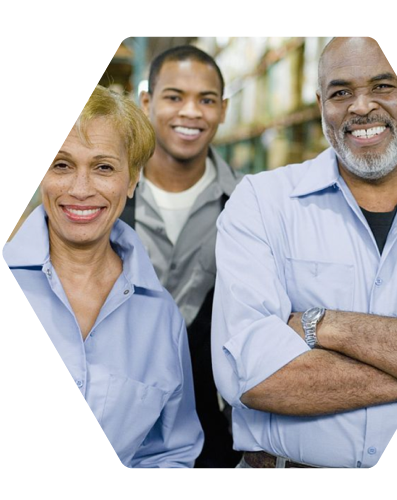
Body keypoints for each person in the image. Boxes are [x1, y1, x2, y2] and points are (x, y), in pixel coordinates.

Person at [212, 36, 397, 469]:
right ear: (320, 103)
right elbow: (253, 377)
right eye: (341, 92)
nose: (361, 107)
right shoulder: (261, 201)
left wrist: (326, 326)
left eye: (383, 86)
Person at [2, 85, 204, 469]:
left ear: (131, 181)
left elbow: (170, 452)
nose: (81, 189)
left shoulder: (162, 319)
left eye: (103, 167)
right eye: (61, 165)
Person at [121, 46, 242, 469]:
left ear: (223, 110)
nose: (191, 112)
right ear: (147, 102)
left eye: (206, 100)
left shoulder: (251, 205)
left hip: (212, 432)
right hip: (109, 423)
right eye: (174, 97)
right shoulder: (102, 196)